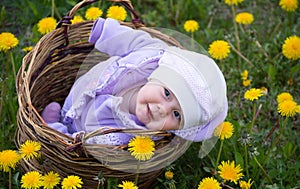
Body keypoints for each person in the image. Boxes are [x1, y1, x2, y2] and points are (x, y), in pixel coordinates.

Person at [42, 17, 228, 145]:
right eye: (167, 93)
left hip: (86, 129)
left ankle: (56, 129)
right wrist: (106, 33)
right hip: (83, 91)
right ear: (157, 76)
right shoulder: (150, 57)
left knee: (72, 143)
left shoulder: (137, 135)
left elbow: (97, 145)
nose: (162, 109)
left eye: (176, 115)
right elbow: (133, 40)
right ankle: (63, 115)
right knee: (71, 102)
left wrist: (77, 142)